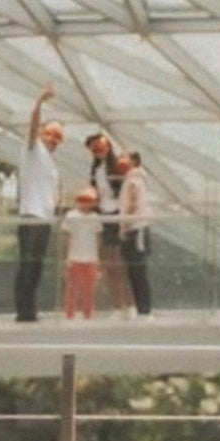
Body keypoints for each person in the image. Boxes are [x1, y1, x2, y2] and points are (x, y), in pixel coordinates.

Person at [13, 84, 63, 322]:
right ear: (42, 132)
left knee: (36, 265)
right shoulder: (33, 149)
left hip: (44, 217)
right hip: (31, 215)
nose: (53, 139)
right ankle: (23, 310)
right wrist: (40, 101)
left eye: (58, 137)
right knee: (28, 263)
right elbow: (32, 126)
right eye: (50, 133)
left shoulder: (51, 163)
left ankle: (29, 309)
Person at [86, 133, 131, 317]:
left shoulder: (117, 167)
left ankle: (129, 304)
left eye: (99, 148)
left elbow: (124, 192)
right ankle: (117, 306)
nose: (97, 152)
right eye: (93, 150)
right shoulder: (96, 169)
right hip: (104, 216)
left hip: (116, 216)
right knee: (110, 265)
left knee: (121, 264)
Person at [118, 150, 154, 318]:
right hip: (137, 227)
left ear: (133, 161)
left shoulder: (133, 179)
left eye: (124, 157)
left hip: (136, 228)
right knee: (135, 270)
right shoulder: (137, 179)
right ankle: (143, 308)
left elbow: (132, 202)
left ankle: (144, 308)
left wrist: (124, 224)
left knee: (137, 270)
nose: (120, 161)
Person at [62, 188, 101, 319]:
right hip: (74, 257)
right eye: (82, 200)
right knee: (72, 288)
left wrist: (98, 258)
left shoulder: (95, 218)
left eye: (89, 201)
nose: (85, 204)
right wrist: (66, 257)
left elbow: (97, 238)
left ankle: (88, 314)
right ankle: (69, 314)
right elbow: (67, 236)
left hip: (91, 258)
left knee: (89, 289)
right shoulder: (71, 216)